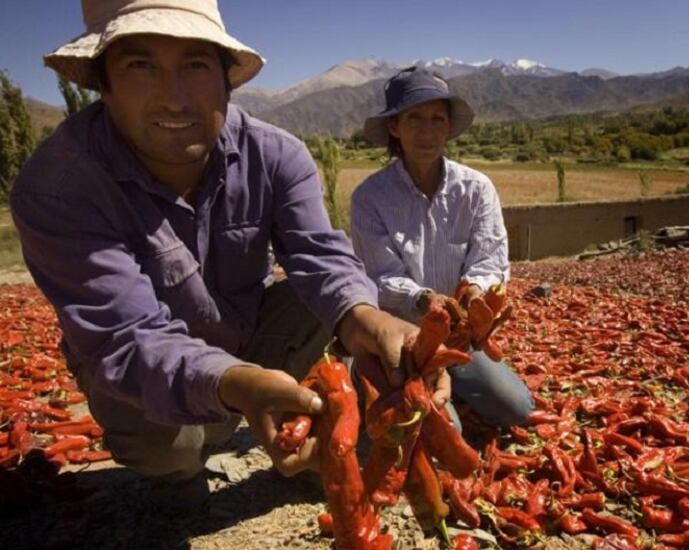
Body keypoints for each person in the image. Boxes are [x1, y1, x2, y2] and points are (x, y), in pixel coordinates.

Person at [10, 0, 447, 495]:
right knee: (170, 455)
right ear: (102, 84)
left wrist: (365, 317)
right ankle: (201, 439)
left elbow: (320, 257)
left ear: (227, 79)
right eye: (140, 66)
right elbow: (125, 335)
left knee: (329, 302)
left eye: (195, 66)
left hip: (247, 328)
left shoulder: (276, 154)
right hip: (148, 364)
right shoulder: (59, 187)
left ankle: (306, 439)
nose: (173, 99)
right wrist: (233, 383)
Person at [350, 67, 534, 430]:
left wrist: (476, 295)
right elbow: (379, 276)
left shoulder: (476, 189)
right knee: (445, 431)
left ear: (448, 128)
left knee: (518, 409)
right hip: (401, 335)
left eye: (438, 119)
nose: (427, 131)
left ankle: (453, 382)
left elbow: (490, 258)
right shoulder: (370, 198)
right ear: (394, 127)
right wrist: (423, 300)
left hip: (460, 335)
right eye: (414, 119)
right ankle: (372, 375)